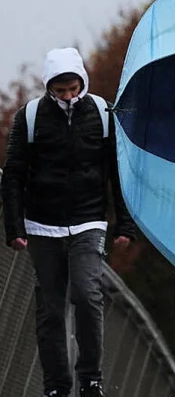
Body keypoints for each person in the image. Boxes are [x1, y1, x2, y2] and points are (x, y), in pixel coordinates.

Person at [2, 47, 136, 397]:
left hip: (89, 221)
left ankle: (90, 380)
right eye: (60, 90)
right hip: (41, 224)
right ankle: (56, 387)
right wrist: (14, 228)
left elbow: (116, 172)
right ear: (49, 87)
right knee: (49, 309)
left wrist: (124, 224)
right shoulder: (29, 117)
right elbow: (13, 175)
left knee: (87, 294)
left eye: (73, 88)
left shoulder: (103, 114)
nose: (67, 96)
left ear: (82, 83)